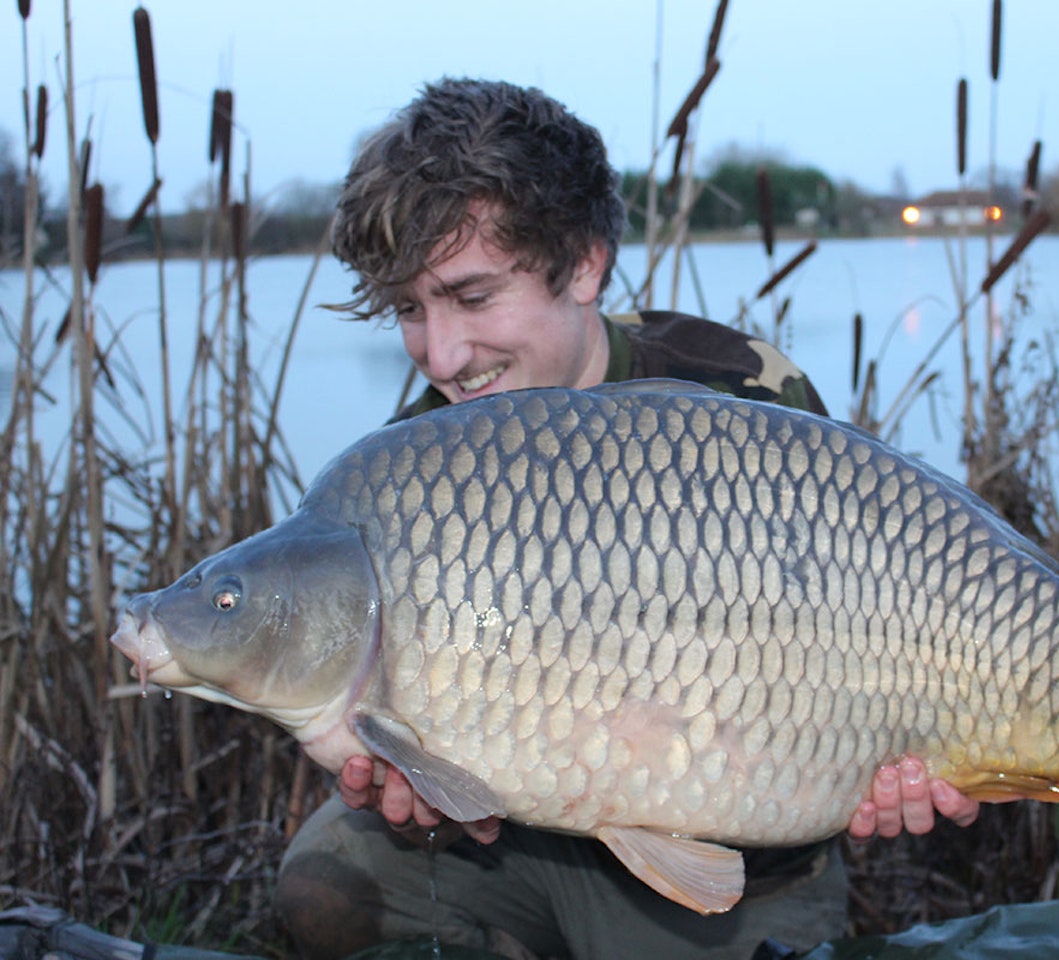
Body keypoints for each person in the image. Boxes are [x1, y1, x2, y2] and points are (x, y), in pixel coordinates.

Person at [276, 77, 979, 960]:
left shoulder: (746, 393)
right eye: (411, 310)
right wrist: (421, 801)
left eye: (473, 296)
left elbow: (869, 629)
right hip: (519, 848)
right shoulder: (423, 459)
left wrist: (902, 761)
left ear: (584, 264)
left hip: (735, 865)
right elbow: (435, 765)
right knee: (325, 875)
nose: (442, 354)